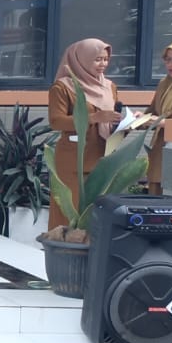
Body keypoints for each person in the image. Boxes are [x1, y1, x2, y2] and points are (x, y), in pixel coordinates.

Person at [47, 38, 122, 231]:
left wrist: (125, 123)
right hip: (75, 159)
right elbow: (56, 121)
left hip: (102, 158)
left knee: (96, 212)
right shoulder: (63, 87)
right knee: (69, 211)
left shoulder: (109, 86)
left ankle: (93, 248)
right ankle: (63, 246)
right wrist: (93, 117)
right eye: (97, 59)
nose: (103, 64)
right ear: (82, 59)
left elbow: (110, 119)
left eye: (106, 59)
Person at [146, 40, 172, 195]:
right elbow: (153, 111)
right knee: (156, 192)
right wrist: (140, 118)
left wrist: (162, 122)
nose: (171, 64)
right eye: (167, 59)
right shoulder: (164, 83)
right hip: (160, 146)